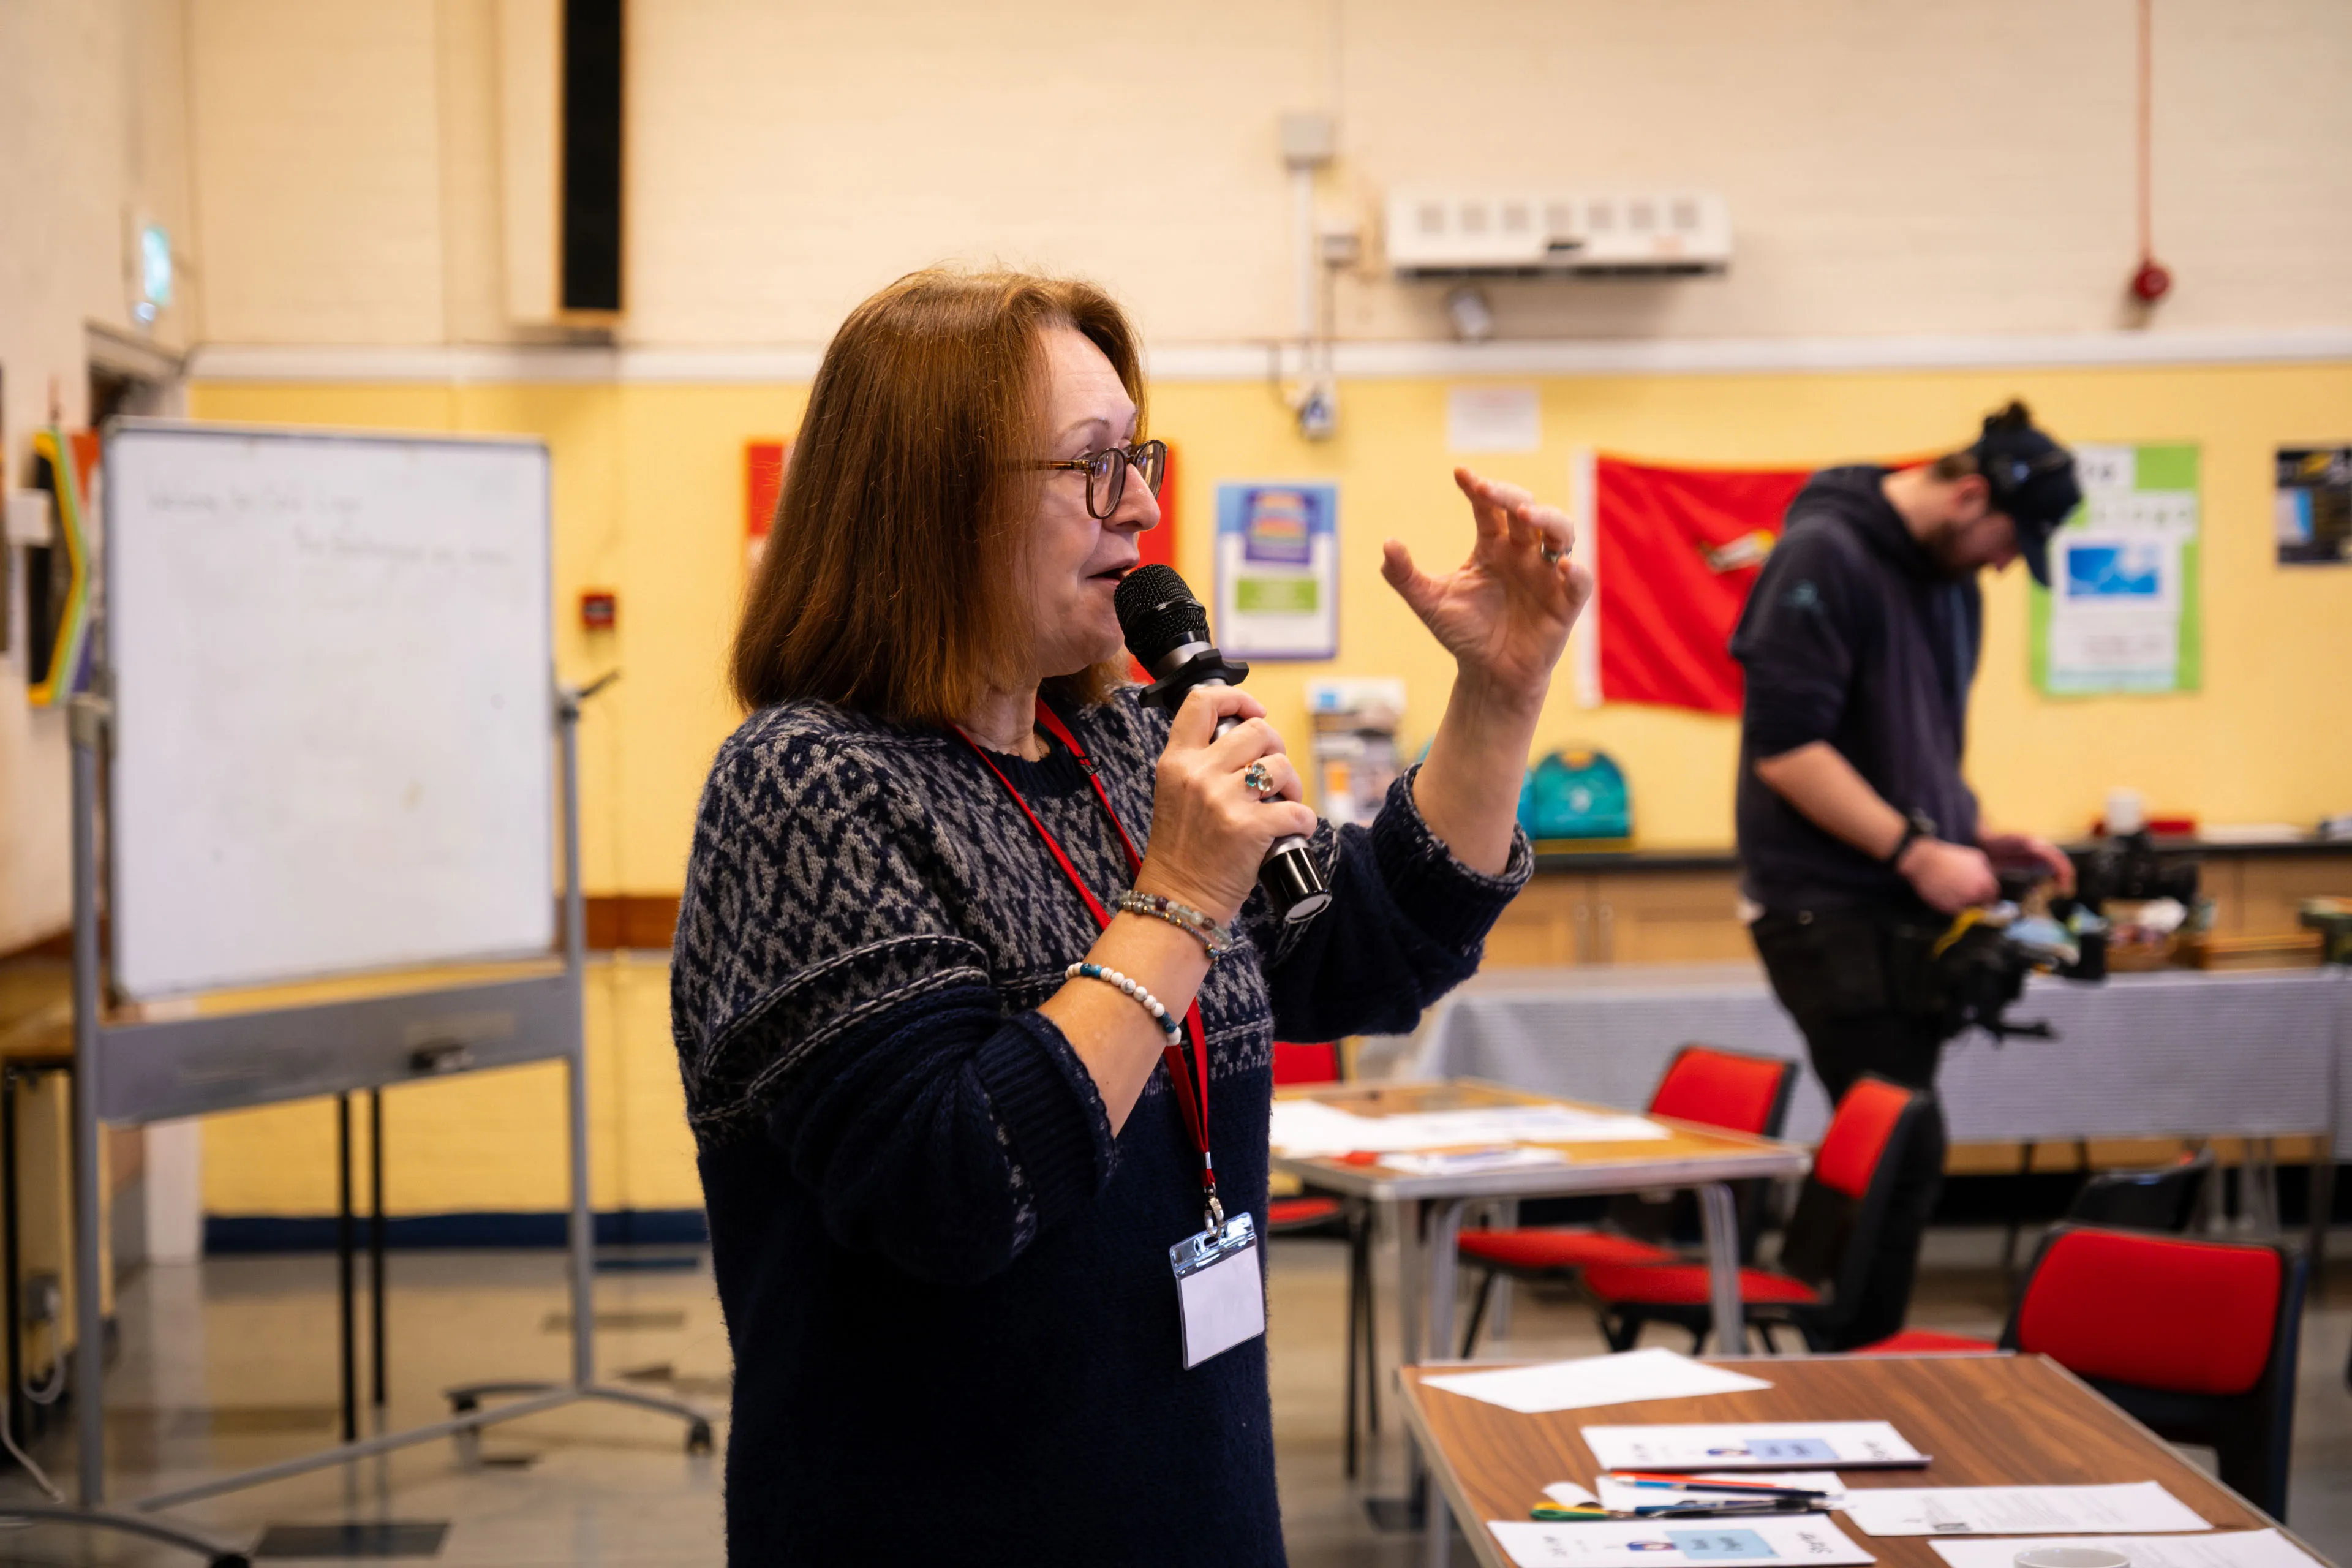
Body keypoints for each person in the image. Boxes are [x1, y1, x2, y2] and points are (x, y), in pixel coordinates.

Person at [669, 268, 1590, 1564]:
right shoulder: (811, 781)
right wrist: (1181, 896)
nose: (1146, 506)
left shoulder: (1115, 747)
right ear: (936, 499)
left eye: (1139, 457)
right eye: (1093, 466)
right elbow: (950, 1189)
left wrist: (1497, 698)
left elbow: (1368, 951)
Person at [1730, 401, 2081, 1350]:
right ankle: (1849, 1368)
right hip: (1825, 909)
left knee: (1890, 1142)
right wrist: (1917, 853)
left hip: (1891, 905)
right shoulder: (1824, 556)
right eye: (2013, 539)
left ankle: (1833, 1346)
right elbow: (1789, 751)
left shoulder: (1949, 582)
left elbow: (1915, 751)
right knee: (1903, 1143)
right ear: (1971, 494)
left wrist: (1981, 838)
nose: (2010, 564)